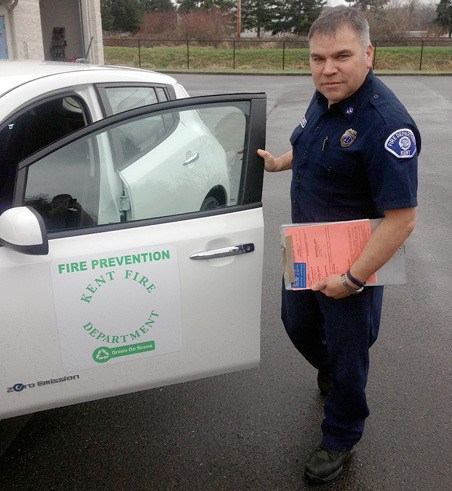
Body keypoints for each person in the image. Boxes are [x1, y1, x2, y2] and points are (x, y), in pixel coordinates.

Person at [257, 6, 420, 484]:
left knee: (350, 354)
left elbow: (402, 220)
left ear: (368, 54)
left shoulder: (387, 125)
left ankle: (342, 434)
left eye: (342, 56)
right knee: (297, 323)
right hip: (306, 251)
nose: (327, 69)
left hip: (353, 262)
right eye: (317, 58)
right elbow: (311, 146)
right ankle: (332, 373)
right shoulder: (322, 98)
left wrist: (351, 280)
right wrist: (279, 164)